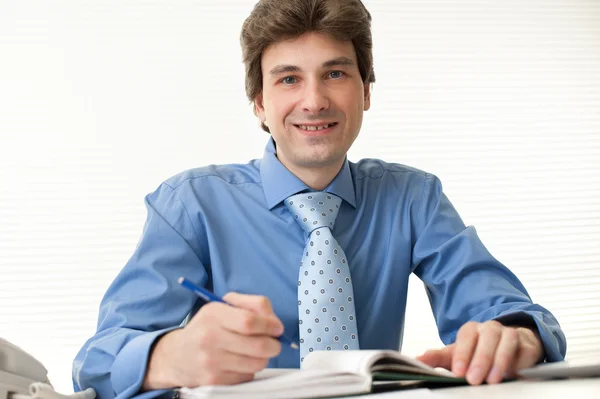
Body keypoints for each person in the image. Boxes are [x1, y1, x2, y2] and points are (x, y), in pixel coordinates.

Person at [72, 0, 567, 398]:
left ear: (366, 91)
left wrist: (515, 336)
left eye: (335, 73)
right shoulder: (190, 205)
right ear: (260, 103)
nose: (314, 101)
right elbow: (96, 363)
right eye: (289, 78)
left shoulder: (413, 197)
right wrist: (169, 357)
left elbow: (509, 311)